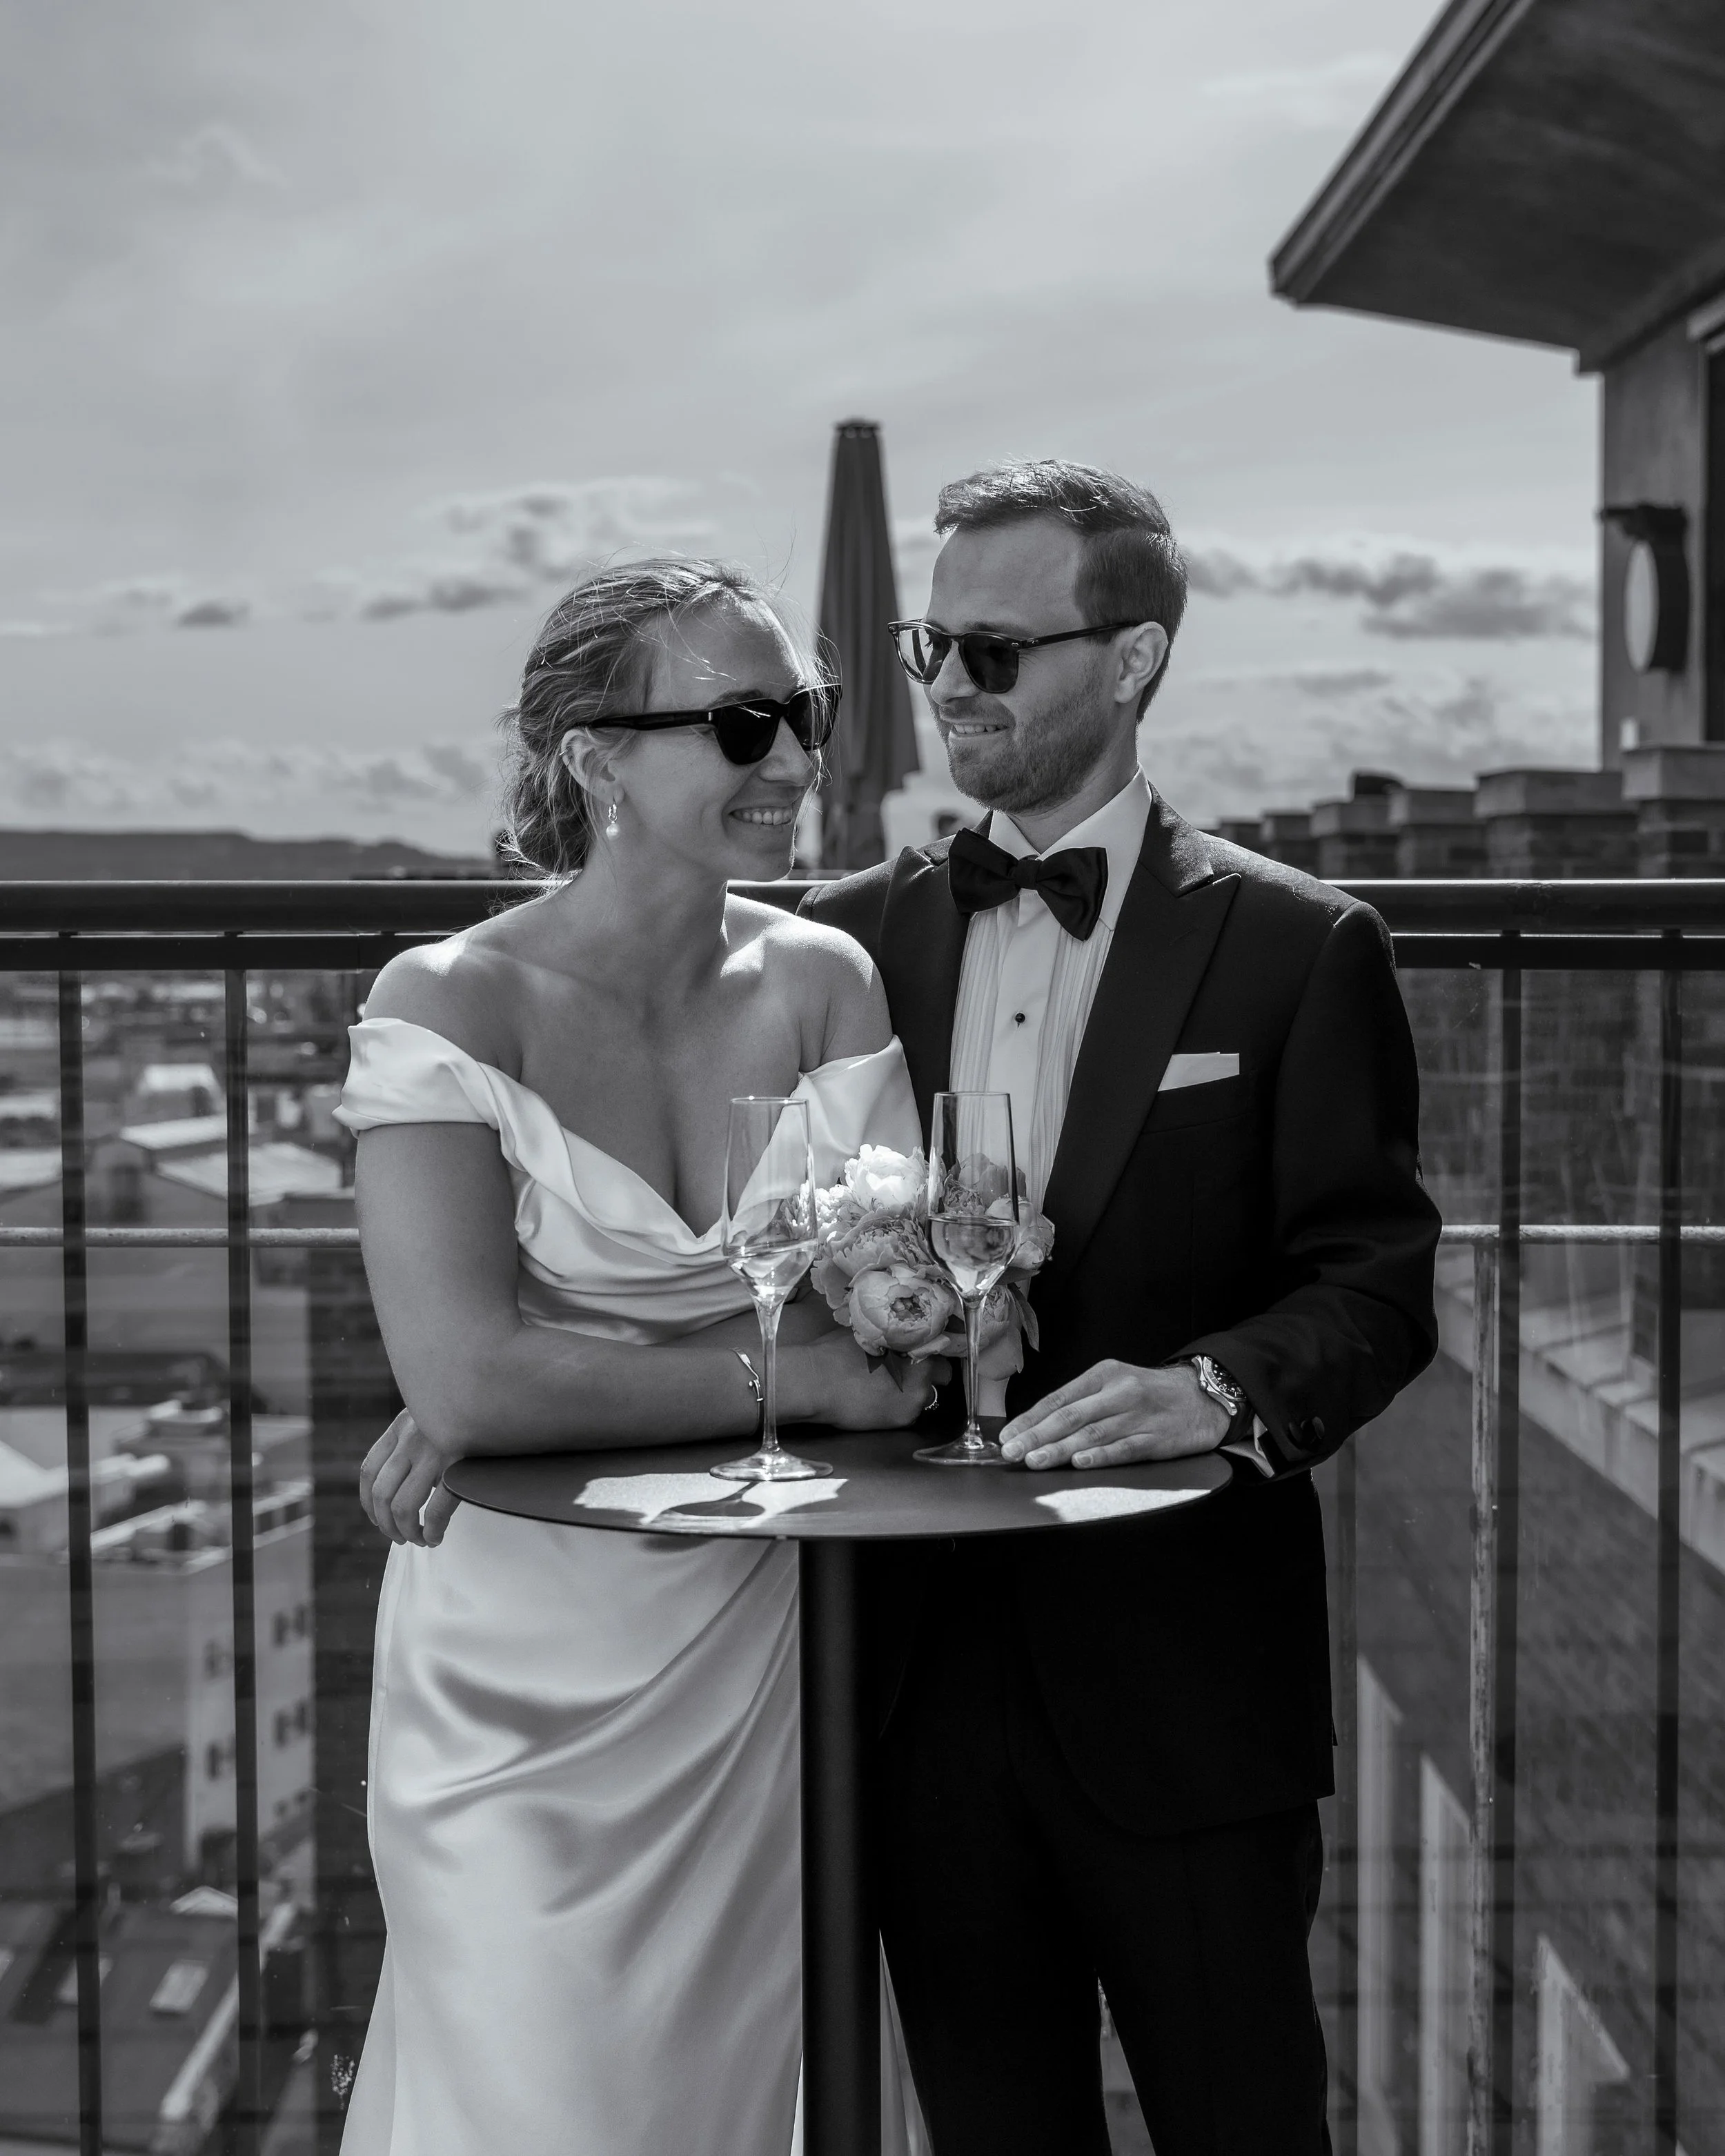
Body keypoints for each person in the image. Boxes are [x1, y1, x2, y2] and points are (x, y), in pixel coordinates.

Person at [800, 459, 1441, 2156]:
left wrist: (1215, 1393)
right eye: (929, 643)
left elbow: (1373, 1280)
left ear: (1134, 659)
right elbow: (728, 1223)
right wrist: (483, 1371)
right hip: (914, 1696)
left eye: (993, 651)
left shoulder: (1298, 947)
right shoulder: (841, 947)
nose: (946, 685)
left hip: (1185, 1687)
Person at [333, 558, 935, 2156]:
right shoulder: (451, 1001)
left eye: (801, 716)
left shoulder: (824, 978)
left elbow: (909, 1313)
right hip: (517, 1682)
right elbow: (473, 1380)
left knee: (761, 2090)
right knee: (536, 2090)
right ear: (594, 754)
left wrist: (546, 1373)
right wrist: (789, 1378)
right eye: (744, 725)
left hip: (761, 1645)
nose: (796, 764)